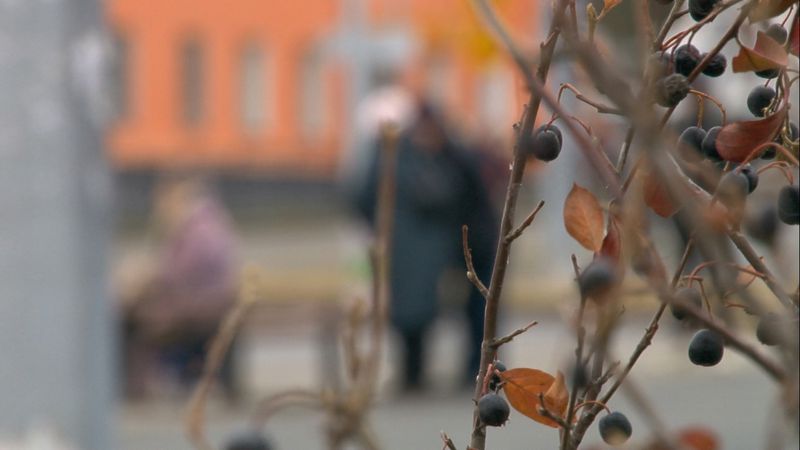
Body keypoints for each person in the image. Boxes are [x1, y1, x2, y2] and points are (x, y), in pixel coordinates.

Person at [355, 101, 497, 391]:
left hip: (468, 244)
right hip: (429, 249)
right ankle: (425, 373)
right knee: (421, 313)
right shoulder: (417, 161)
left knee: (471, 310)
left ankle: (471, 370)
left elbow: (465, 199)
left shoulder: (446, 158)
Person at [120, 175, 238, 399]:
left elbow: (175, 275)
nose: (161, 208)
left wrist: (142, 276)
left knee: (128, 321)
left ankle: (132, 387)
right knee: (132, 316)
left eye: (164, 202)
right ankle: (138, 385)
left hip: (197, 312)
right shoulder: (209, 223)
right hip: (208, 308)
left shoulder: (198, 230)